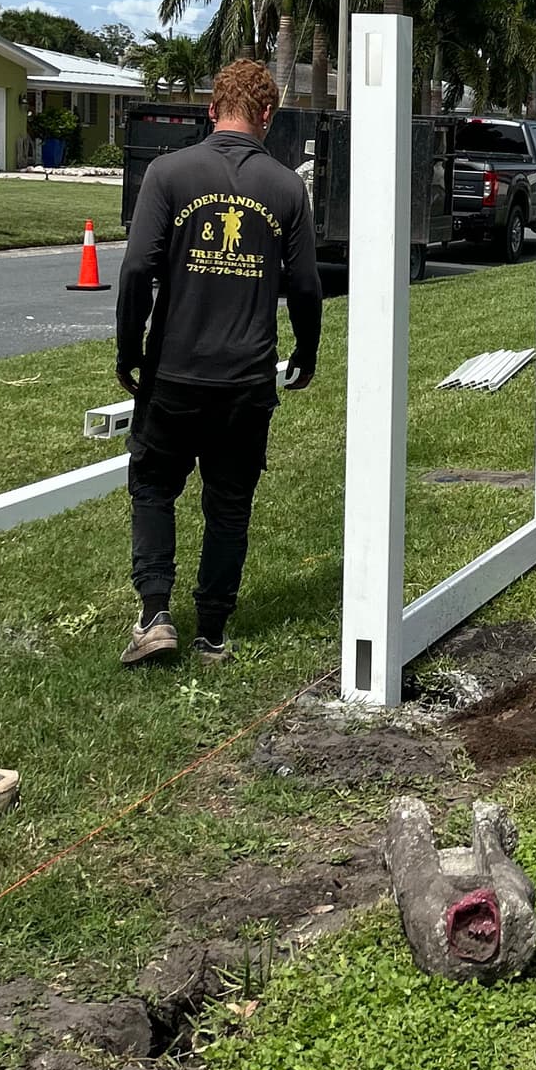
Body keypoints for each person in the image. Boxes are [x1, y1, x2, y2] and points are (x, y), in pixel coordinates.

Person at [114, 59, 322, 667]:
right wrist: (306, 350)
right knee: (229, 502)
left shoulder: (167, 173)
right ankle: (211, 633)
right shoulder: (287, 188)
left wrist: (130, 348)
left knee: (154, 486)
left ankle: (155, 615)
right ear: (267, 116)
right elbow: (305, 285)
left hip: (174, 371)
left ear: (211, 110)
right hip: (246, 379)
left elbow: (137, 268)